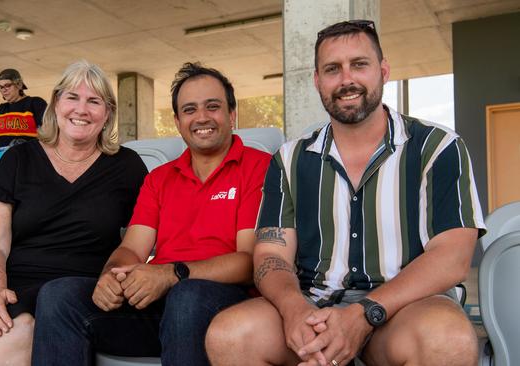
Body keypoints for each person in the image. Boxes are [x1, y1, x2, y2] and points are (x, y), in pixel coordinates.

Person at [206, 20, 486, 366]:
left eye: (359, 64)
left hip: (405, 309)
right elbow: (269, 254)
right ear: (317, 80)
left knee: (449, 339)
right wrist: (294, 310)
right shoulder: (290, 159)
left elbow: (452, 258)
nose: (346, 80)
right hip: (314, 307)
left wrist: (363, 313)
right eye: (332, 69)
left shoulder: (438, 147)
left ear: (383, 71)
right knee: (229, 335)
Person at [32, 62, 271, 366]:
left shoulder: (259, 167)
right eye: (189, 110)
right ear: (176, 120)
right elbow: (132, 248)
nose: (201, 118)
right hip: (160, 305)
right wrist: (111, 276)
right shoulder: (159, 178)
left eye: (213, 106)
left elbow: (250, 261)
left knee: (188, 296)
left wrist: (172, 275)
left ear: (232, 114)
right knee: (58, 295)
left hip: (223, 303)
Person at [0, 60, 147, 365]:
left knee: (12, 336)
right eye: (72, 97)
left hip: (77, 288)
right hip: (11, 281)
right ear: (56, 104)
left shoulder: (126, 166)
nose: (81, 109)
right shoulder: (18, 159)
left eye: (94, 101)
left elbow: (142, 239)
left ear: (107, 113)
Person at [0, 68, 48, 150]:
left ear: (19, 85)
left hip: (23, 156)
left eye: (7, 85)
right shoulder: (1, 108)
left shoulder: (35, 103)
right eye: (1, 87)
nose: (4, 90)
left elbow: (48, 127)